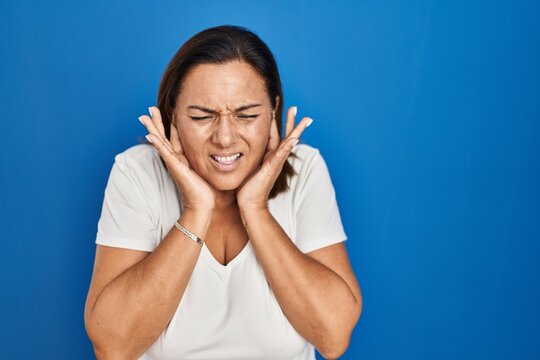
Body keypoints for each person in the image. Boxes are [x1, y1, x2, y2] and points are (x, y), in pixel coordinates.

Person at [84, 25, 362, 360]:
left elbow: (333, 338)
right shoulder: (137, 172)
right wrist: (197, 209)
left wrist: (255, 209)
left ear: (273, 110)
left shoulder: (306, 169)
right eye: (203, 116)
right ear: (174, 113)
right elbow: (113, 347)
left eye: (247, 115)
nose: (225, 138)